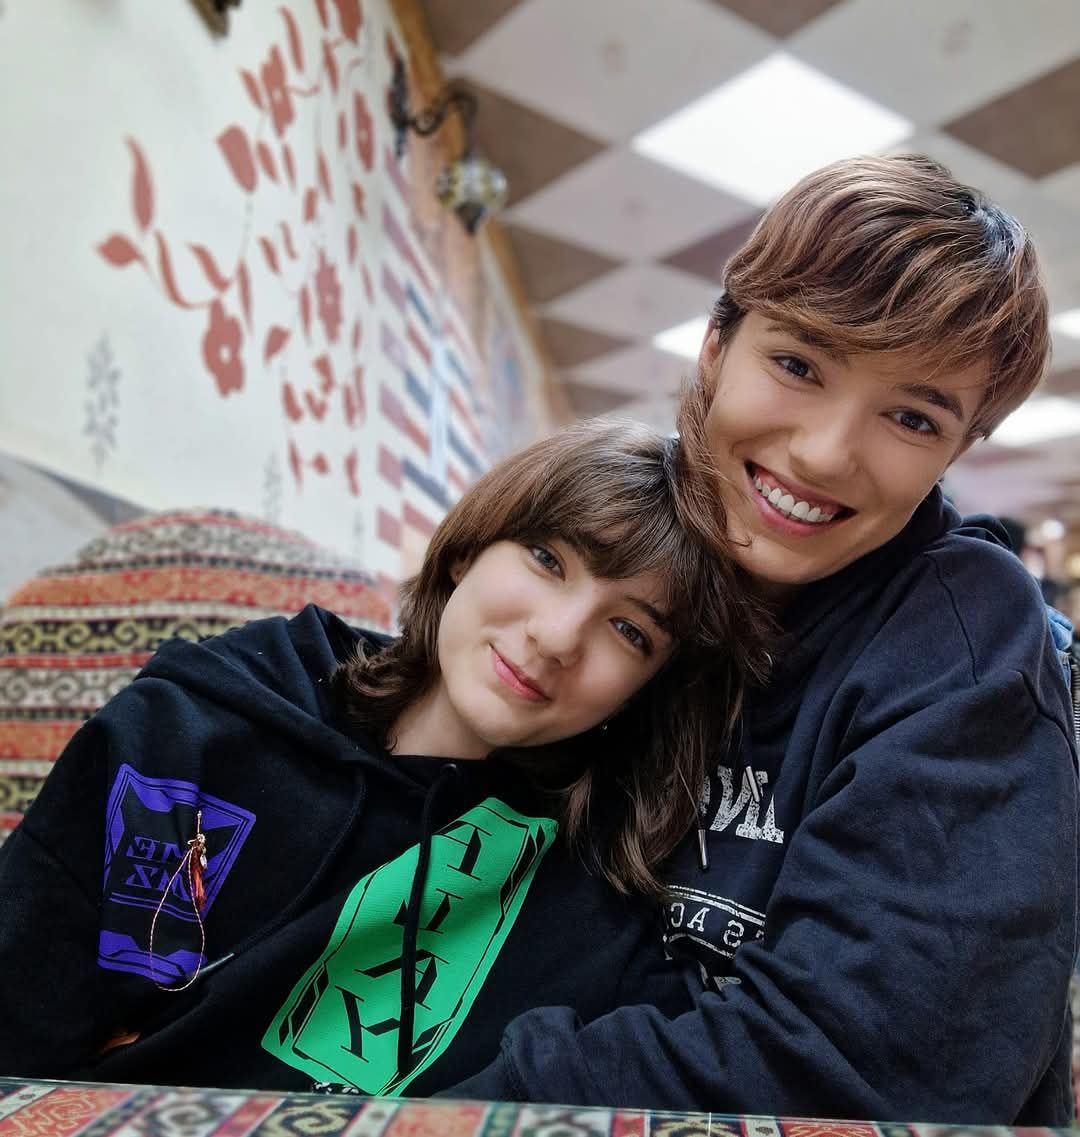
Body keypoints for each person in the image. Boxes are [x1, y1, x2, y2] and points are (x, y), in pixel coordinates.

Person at [444, 155, 1080, 1124]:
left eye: (913, 417)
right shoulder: (640, 563)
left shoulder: (964, 638)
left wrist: (454, 1113)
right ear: (715, 345)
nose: (824, 453)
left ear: (958, 451)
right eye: (798, 364)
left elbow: (875, 1071)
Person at [0, 419, 770, 1095]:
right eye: (547, 558)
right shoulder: (199, 726)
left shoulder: (595, 901)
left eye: (630, 631)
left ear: (641, 692)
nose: (557, 635)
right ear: (471, 548)